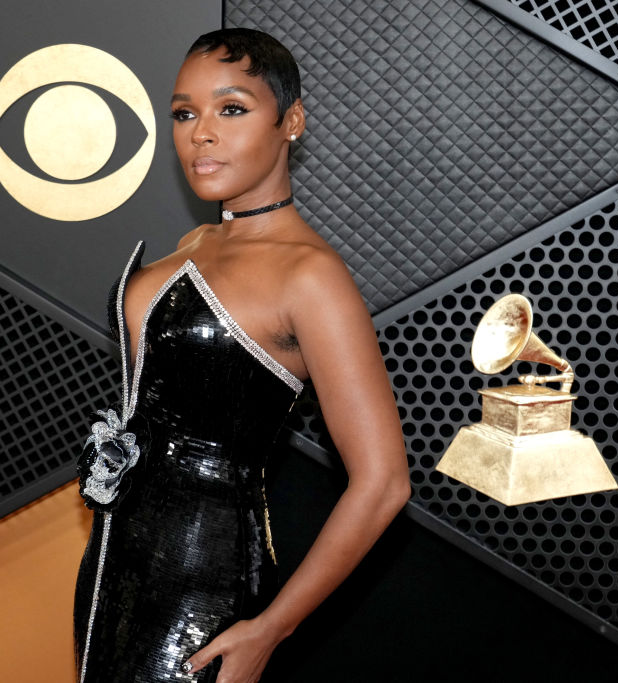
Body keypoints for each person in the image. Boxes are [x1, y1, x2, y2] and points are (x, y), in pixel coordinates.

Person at [74, 28, 410, 683]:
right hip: (112, 576)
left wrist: (270, 629)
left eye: (231, 109)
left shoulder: (310, 276)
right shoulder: (196, 240)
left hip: (205, 600)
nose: (202, 132)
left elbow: (384, 483)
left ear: (292, 122)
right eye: (184, 113)